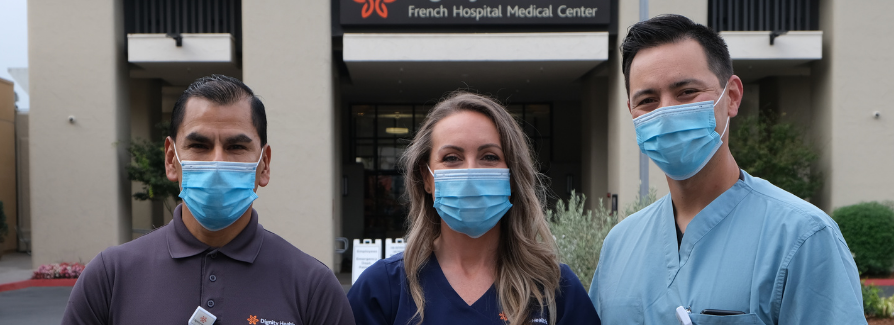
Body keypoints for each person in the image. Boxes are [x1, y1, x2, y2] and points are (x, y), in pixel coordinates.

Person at [588, 15, 865, 324]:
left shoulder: (802, 237)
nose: (666, 112)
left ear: (731, 97)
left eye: (687, 92)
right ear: (632, 112)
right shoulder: (620, 245)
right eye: (648, 100)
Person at [62, 75, 355, 325]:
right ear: (171, 159)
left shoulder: (313, 286)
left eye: (236, 146)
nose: (217, 162)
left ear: (264, 165)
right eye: (199, 145)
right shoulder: (110, 277)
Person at [347, 92, 599, 325]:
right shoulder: (381, 290)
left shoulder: (555, 288)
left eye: (489, 156)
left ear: (512, 176)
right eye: (451, 158)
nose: (470, 173)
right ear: (426, 177)